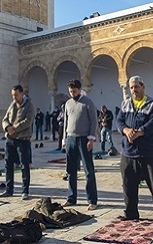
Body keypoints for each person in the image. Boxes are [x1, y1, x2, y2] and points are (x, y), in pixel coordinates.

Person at [115, 75, 153, 224]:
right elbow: (119, 120)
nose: (134, 90)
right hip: (129, 152)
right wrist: (126, 130)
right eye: (131, 88)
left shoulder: (152, 104)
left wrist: (139, 132)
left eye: (136, 87)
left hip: (148, 152)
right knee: (128, 185)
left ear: (143, 87)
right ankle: (131, 212)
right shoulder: (126, 104)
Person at [62, 79, 99, 210]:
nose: (72, 93)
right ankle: (71, 198)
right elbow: (66, 122)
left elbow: (94, 121)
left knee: (88, 170)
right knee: (70, 170)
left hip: (84, 139)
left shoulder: (88, 102)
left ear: (79, 89)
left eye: (74, 91)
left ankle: (92, 200)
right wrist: (64, 140)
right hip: (71, 138)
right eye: (70, 91)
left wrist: (91, 139)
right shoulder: (67, 103)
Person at [0, 85, 34, 199]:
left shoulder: (29, 106)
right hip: (10, 139)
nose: (14, 97)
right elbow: (5, 119)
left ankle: (25, 191)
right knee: (8, 164)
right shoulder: (12, 105)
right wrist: (7, 127)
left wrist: (15, 129)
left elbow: (27, 121)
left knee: (24, 165)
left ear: (22, 94)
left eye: (16, 95)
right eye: (13, 95)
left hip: (23, 140)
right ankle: (9, 189)